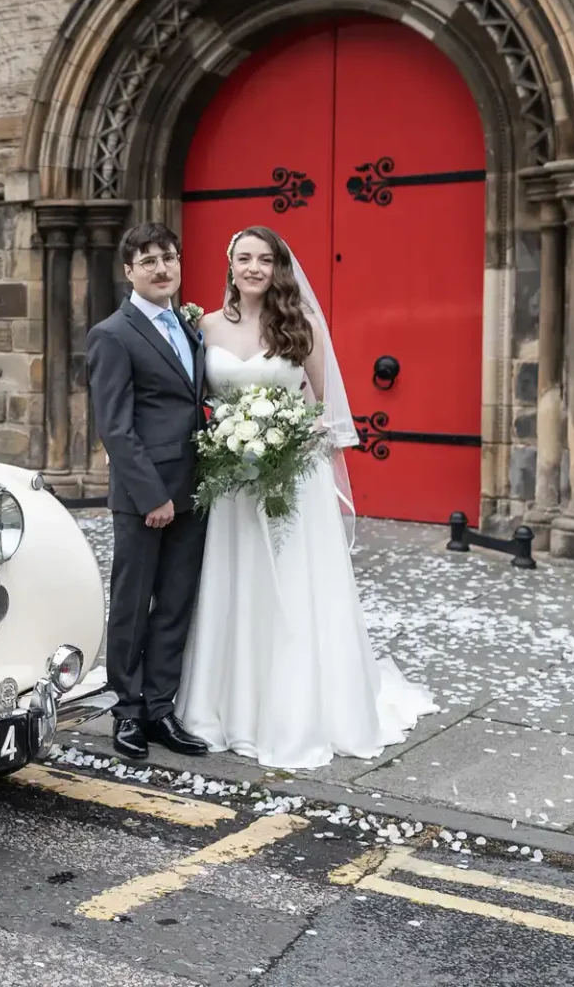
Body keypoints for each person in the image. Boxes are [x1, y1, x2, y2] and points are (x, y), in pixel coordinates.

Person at [175, 225, 437, 770]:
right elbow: (191, 401)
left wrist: (287, 442)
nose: (252, 268)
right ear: (229, 265)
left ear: (278, 268)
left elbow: (325, 412)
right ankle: (225, 708)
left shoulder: (303, 327)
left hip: (290, 479)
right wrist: (228, 442)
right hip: (231, 485)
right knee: (236, 584)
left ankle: (299, 711)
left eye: (263, 260)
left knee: (294, 591)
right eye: (243, 258)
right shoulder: (204, 327)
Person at [84, 221, 214, 762]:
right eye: (149, 261)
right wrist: (151, 495)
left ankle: (161, 709)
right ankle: (127, 711)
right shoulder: (112, 334)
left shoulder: (189, 327)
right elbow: (115, 426)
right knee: (134, 605)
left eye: (169, 258)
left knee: (176, 603)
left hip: (196, 487)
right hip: (145, 495)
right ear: (129, 272)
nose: (162, 269)